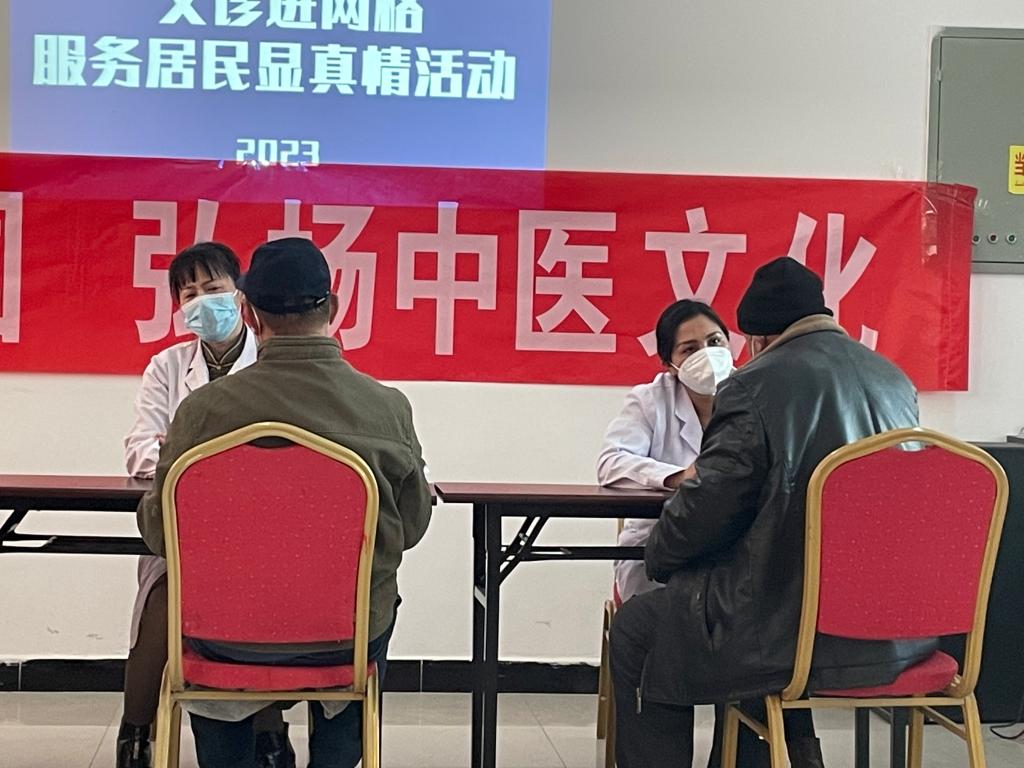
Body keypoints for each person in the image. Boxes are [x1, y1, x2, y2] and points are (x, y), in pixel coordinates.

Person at [610, 257, 939, 768]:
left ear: (758, 339)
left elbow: (706, 510)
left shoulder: (753, 385)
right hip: (892, 634)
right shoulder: (894, 380)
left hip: (790, 632)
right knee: (749, 614)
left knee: (641, 627)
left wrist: (659, 555)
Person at [135, 237, 433, 768]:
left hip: (220, 639)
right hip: (343, 639)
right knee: (374, 605)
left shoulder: (201, 413)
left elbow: (160, 534)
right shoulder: (386, 409)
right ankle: (337, 756)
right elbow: (410, 527)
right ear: (333, 307)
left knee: (204, 638)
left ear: (249, 314)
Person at [120, 243, 293, 768]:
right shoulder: (168, 366)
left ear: (241, 295)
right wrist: (218, 461)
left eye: (213, 288)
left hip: (263, 535)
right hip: (184, 529)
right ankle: (136, 731)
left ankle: (269, 731)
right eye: (189, 294)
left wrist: (188, 452)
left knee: (262, 602)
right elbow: (140, 451)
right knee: (165, 597)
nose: (202, 301)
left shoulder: (276, 361)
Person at [597, 299, 733, 601]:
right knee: (667, 614)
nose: (707, 355)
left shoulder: (751, 396)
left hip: (730, 548)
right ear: (670, 365)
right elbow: (610, 463)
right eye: (689, 349)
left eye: (714, 342)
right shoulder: (650, 400)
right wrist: (678, 477)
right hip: (656, 543)